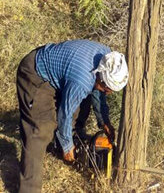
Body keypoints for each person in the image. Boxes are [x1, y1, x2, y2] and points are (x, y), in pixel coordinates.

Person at [16, 39, 128, 193]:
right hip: (37, 73)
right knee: (40, 130)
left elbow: (98, 92)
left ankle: (68, 142)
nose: (108, 93)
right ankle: (29, 189)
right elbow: (65, 112)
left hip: (64, 74)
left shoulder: (109, 58)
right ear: (100, 77)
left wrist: (104, 122)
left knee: (82, 105)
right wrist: (67, 145)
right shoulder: (82, 80)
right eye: (107, 89)